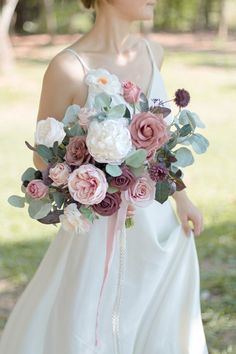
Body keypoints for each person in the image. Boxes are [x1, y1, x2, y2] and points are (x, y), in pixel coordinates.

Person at [0, 0, 208, 353]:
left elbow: (159, 142)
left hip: (154, 221)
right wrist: (97, 179)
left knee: (154, 318)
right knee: (88, 316)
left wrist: (181, 196)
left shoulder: (153, 51)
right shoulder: (68, 66)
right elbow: (43, 153)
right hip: (99, 220)